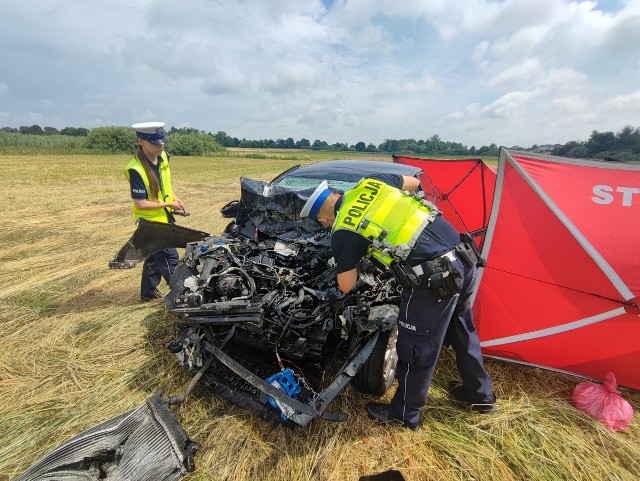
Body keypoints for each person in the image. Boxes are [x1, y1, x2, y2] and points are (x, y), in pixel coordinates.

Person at [299, 173, 496, 430]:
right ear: (334, 193)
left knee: (416, 348)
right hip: (462, 255)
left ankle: (405, 414)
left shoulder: (343, 230)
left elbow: (346, 285)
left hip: (433, 279)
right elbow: (415, 183)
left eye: (323, 224)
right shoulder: (369, 183)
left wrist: (353, 259)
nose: (325, 226)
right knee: (462, 329)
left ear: (322, 218)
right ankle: (479, 394)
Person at [125, 122, 184, 302]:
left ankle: (148, 294)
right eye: (155, 143)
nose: (161, 146)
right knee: (169, 258)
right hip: (150, 224)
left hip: (164, 217)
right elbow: (141, 204)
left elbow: (163, 184)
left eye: (162, 142)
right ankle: (182, 296)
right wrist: (168, 203)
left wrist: (174, 197)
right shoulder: (136, 169)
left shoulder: (163, 156)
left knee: (153, 259)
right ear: (140, 141)